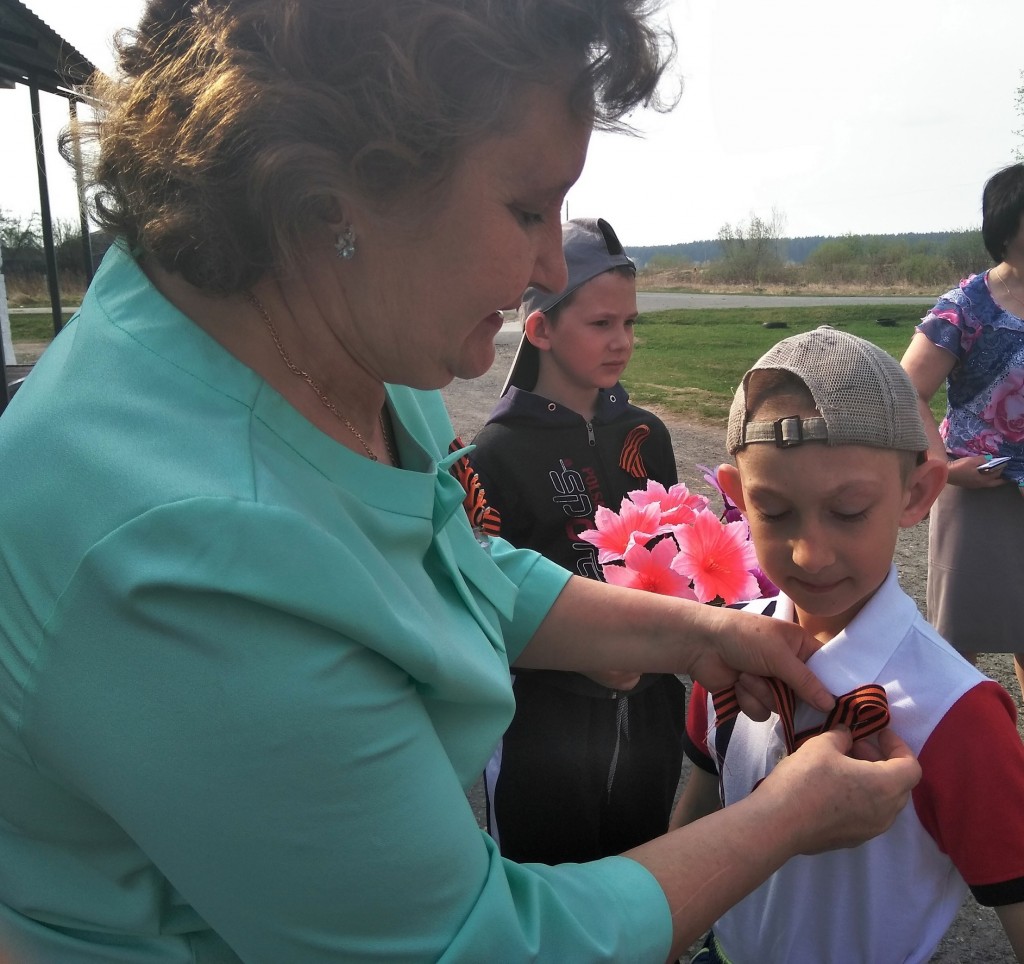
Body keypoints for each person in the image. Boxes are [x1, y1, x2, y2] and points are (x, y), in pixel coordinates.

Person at [0, 2, 921, 961]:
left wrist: (696, 634)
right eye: (526, 209)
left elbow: (448, 567)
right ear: (333, 192)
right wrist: (784, 817)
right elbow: (471, 945)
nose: (550, 264)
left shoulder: (339, 337)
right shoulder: (182, 545)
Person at [672, 326, 1024, 963]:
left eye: (849, 510)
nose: (810, 554)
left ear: (916, 494)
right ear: (736, 496)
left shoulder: (956, 713)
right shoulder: (727, 652)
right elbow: (698, 812)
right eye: (774, 512)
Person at [470, 217, 687, 864]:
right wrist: (579, 651)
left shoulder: (647, 436)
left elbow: (674, 558)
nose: (622, 341)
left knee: (643, 870)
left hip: (651, 709)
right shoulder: (495, 453)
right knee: (546, 883)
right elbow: (486, 604)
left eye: (630, 323)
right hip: (543, 725)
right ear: (540, 330)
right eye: (601, 323)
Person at [900, 162, 1024, 704]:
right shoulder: (967, 306)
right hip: (978, 491)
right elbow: (908, 390)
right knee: (958, 642)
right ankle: (951, 738)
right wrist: (945, 469)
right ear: (1008, 228)